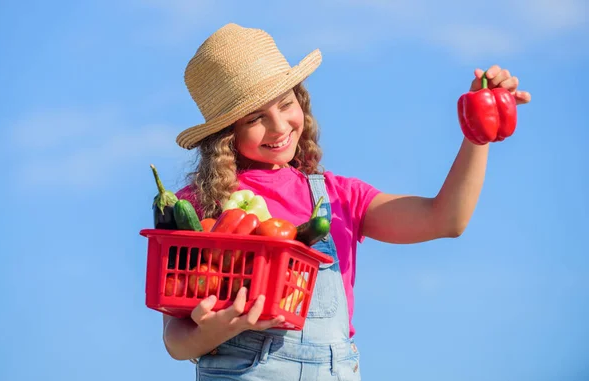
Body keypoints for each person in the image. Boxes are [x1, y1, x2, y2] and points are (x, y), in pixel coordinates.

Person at [162, 23, 531, 380]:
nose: (279, 126)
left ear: (301, 103)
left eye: (285, 104)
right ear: (227, 136)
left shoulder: (338, 197)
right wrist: (219, 331)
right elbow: (176, 341)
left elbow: (445, 219)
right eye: (256, 118)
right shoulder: (196, 205)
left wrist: (478, 133)